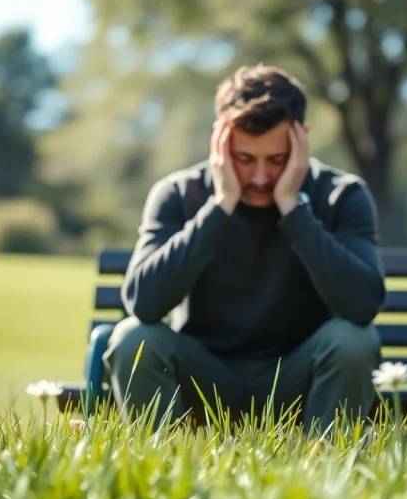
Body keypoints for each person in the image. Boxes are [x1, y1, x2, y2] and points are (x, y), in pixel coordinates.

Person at [103, 63, 386, 433]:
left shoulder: (341, 195)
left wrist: (293, 207)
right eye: (245, 159)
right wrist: (220, 206)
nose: (260, 177)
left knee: (353, 341)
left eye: (277, 160)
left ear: (302, 137)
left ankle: (331, 472)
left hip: (298, 378)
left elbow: (362, 307)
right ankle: (164, 476)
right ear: (220, 142)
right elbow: (144, 303)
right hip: (204, 377)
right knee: (133, 339)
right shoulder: (177, 193)